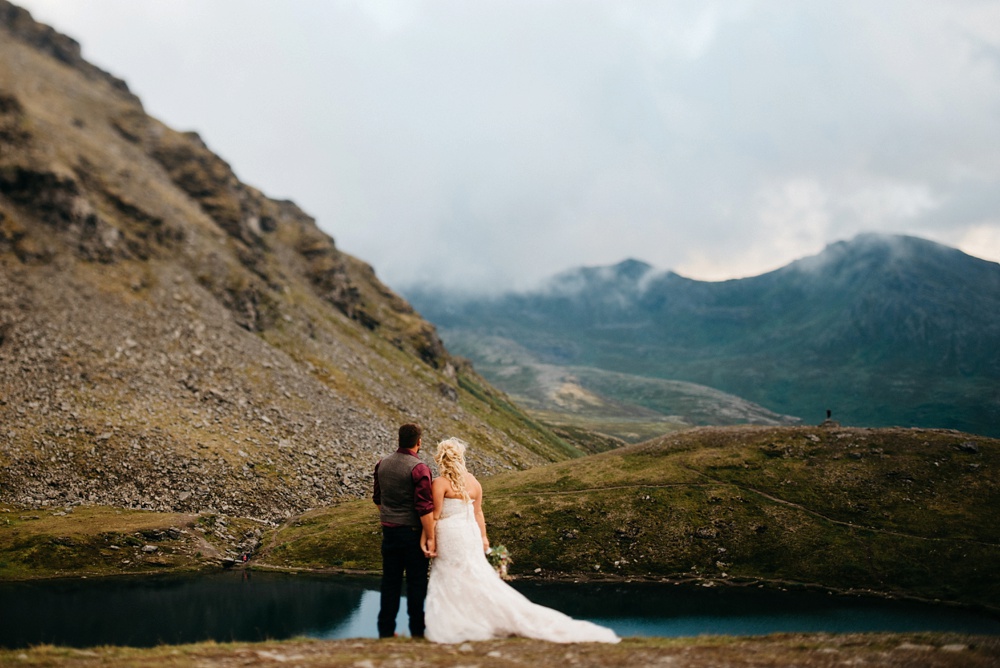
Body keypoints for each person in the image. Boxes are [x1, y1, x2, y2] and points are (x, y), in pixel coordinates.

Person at [422, 437, 620, 644]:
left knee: (451, 576)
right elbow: (478, 512)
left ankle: (460, 622)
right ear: (460, 458)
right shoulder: (473, 482)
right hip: (470, 534)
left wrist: (429, 540)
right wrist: (483, 538)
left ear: (440, 459)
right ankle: (484, 618)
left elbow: (435, 516)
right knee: (475, 575)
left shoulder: (439, 483)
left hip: (450, 534)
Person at [373, 423, 435, 638]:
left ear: (398, 439)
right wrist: (431, 537)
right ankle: (417, 632)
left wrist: (391, 514)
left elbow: (378, 500)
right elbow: (424, 507)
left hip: (389, 532)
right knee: (416, 583)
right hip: (412, 533)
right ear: (419, 442)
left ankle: (386, 632)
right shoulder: (419, 468)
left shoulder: (382, 463)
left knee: (390, 581)